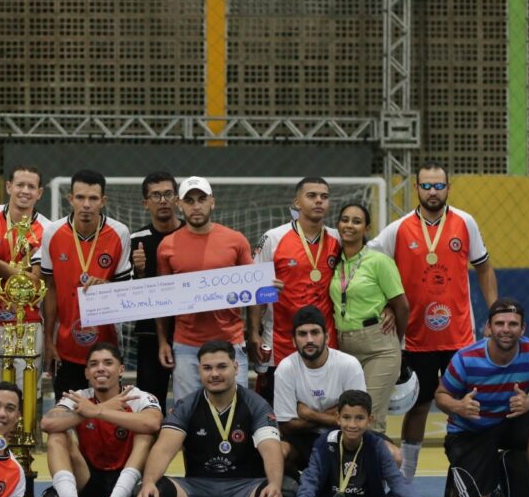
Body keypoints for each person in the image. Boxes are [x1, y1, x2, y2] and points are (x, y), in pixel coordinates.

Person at [368, 161, 498, 481]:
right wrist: (383, 303)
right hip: (416, 337)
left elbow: (484, 267)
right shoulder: (398, 229)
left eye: (438, 185)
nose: (432, 191)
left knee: (469, 405)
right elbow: (368, 262)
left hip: (459, 336)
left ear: (448, 188)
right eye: (426, 185)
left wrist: (496, 314)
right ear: (417, 188)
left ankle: (473, 473)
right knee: (420, 405)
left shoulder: (464, 222)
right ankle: (408, 477)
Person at [121, 340, 286, 497]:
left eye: (222, 367)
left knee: (285, 487)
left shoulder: (256, 404)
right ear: (199, 370)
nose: (214, 374)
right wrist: (148, 484)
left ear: (235, 368)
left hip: (246, 492)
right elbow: (163, 450)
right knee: (151, 485)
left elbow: (271, 449)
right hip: (195, 493)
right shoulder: (186, 406)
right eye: (207, 368)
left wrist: (275, 484)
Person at [435, 298, 529, 497]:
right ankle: (465, 476)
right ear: (488, 328)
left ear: (523, 329)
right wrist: (459, 406)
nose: (506, 329)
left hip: (509, 422)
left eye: (513, 324)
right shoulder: (465, 358)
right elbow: (440, 396)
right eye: (499, 323)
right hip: (470, 431)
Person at [291, 390, 461, 497]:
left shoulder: (377, 446)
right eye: (346, 417)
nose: (352, 424)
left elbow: (397, 481)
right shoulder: (324, 443)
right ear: (337, 418)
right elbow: (310, 479)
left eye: (359, 418)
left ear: (369, 420)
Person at [40, 342, 163, 497]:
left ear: (121, 370)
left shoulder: (137, 396)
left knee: (144, 434)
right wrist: (88, 413)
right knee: (57, 435)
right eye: (94, 364)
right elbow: (47, 423)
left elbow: (153, 423)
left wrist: (98, 411)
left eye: (108, 363)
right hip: (89, 483)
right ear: (87, 373)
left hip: (129, 489)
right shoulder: (79, 398)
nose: (100, 369)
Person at [155, 176, 253, 403]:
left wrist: (254, 333)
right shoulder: (167, 246)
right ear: (179, 204)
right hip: (186, 345)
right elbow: (162, 299)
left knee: (236, 411)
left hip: (231, 342)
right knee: (189, 413)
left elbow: (254, 290)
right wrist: (163, 341)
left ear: (213, 202)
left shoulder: (236, 240)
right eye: (189, 200)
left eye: (201, 199)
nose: (196, 206)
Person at [249, 177, 342, 405]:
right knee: (276, 411)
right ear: (297, 202)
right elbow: (254, 289)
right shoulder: (274, 238)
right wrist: (253, 332)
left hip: (325, 342)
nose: (319, 201)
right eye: (311, 196)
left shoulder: (338, 239)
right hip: (280, 340)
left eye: (324, 197)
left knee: (323, 408)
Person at [40, 169, 132, 398]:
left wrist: (106, 286)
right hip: (65, 347)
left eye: (93, 198)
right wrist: (48, 342)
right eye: (80, 197)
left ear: (103, 201)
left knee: (106, 417)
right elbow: (50, 289)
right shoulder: (52, 233)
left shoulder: (119, 233)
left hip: (106, 349)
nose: (86, 204)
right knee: (66, 418)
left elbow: (124, 293)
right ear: (70, 199)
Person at [329, 203, 409, 434]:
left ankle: (378, 470)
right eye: (345, 220)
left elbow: (402, 306)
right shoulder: (334, 263)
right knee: (348, 419)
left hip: (379, 348)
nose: (349, 226)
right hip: (344, 348)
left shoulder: (379, 261)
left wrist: (395, 341)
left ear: (366, 228)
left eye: (356, 221)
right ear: (338, 225)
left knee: (368, 419)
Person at [0, 165, 53, 385]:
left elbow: (36, 281)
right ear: (9, 187)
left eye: (31, 186)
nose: (25, 191)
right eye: (20, 185)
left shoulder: (48, 229)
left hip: (27, 323)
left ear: (39, 193)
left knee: (25, 391)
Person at [274, 306, 372, 477]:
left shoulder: (348, 364)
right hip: (303, 438)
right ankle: (298, 489)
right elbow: (287, 426)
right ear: (293, 340)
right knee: (275, 454)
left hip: (346, 435)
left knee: (394, 455)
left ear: (326, 337)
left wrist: (309, 414)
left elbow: (356, 418)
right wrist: (336, 413)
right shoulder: (285, 368)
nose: (309, 339)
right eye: (302, 334)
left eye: (315, 332)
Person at [130, 171, 183, 414]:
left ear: (177, 199)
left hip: (190, 333)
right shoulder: (134, 241)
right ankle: (149, 451)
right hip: (150, 334)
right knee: (150, 405)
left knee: (192, 403)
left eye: (168, 194)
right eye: (156, 195)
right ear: (145, 203)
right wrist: (137, 273)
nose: (163, 200)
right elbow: (127, 296)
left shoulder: (193, 235)